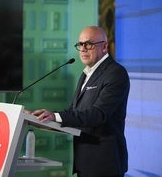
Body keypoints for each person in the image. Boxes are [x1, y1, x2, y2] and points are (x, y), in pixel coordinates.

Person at [30, 26, 130, 177]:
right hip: (85, 161)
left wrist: (56, 117)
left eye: (88, 44)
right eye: (80, 44)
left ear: (104, 46)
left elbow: (98, 114)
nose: (83, 49)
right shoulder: (86, 73)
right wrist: (47, 115)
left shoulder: (115, 73)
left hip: (104, 164)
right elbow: (73, 111)